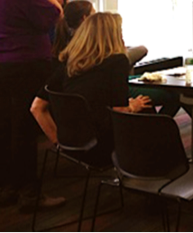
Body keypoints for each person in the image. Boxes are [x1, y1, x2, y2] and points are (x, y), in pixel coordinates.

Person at [51, 1, 193, 143]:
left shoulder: (72, 52)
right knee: (175, 92)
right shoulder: (111, 60)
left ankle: (166, 130)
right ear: (85, 20)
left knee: (165, 84)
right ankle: (162, 130)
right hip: (108, 117)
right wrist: (130, 106)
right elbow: (117, 102)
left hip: (86, 124)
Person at [31, 12, 153, 169]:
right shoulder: (117, 62)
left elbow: (36, 108)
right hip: (102, 147)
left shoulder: (69, 63)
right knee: (146, 107)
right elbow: (120, 110)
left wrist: (58, 143)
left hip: (74, 144)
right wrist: (132, 106)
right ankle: (151, 169)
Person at [0, 0, 64, 211]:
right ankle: (30, 194)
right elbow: (56, 13)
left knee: (5, 128)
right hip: (27, 65)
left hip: (3, 66)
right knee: (24, 131)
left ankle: (7, 189)